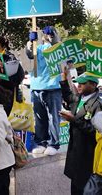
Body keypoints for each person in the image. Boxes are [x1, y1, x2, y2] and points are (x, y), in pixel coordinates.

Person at [59, 70, 102, 195]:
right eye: (78, 83)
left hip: (87, 155)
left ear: (93, 85)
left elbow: (96, 132)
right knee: (74, 185)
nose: (79, 85)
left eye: (83, 83)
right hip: (75, 152)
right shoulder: (79, 98)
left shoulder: (99, 105)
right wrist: (64, 80)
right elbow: (68, 96)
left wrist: (74, 120)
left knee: (83, 187)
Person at [26, 26, 62, 155]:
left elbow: (57, 45)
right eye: (45, 34)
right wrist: (30, 42)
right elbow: (29, 53)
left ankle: (54, 143)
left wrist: (52, 36)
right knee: (39, 117)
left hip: (52, 86)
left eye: (49, 34)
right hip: (36, 86)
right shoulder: (38, 48)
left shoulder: (57, 47)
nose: (46, 36)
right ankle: (41, 142)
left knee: (54, 117)